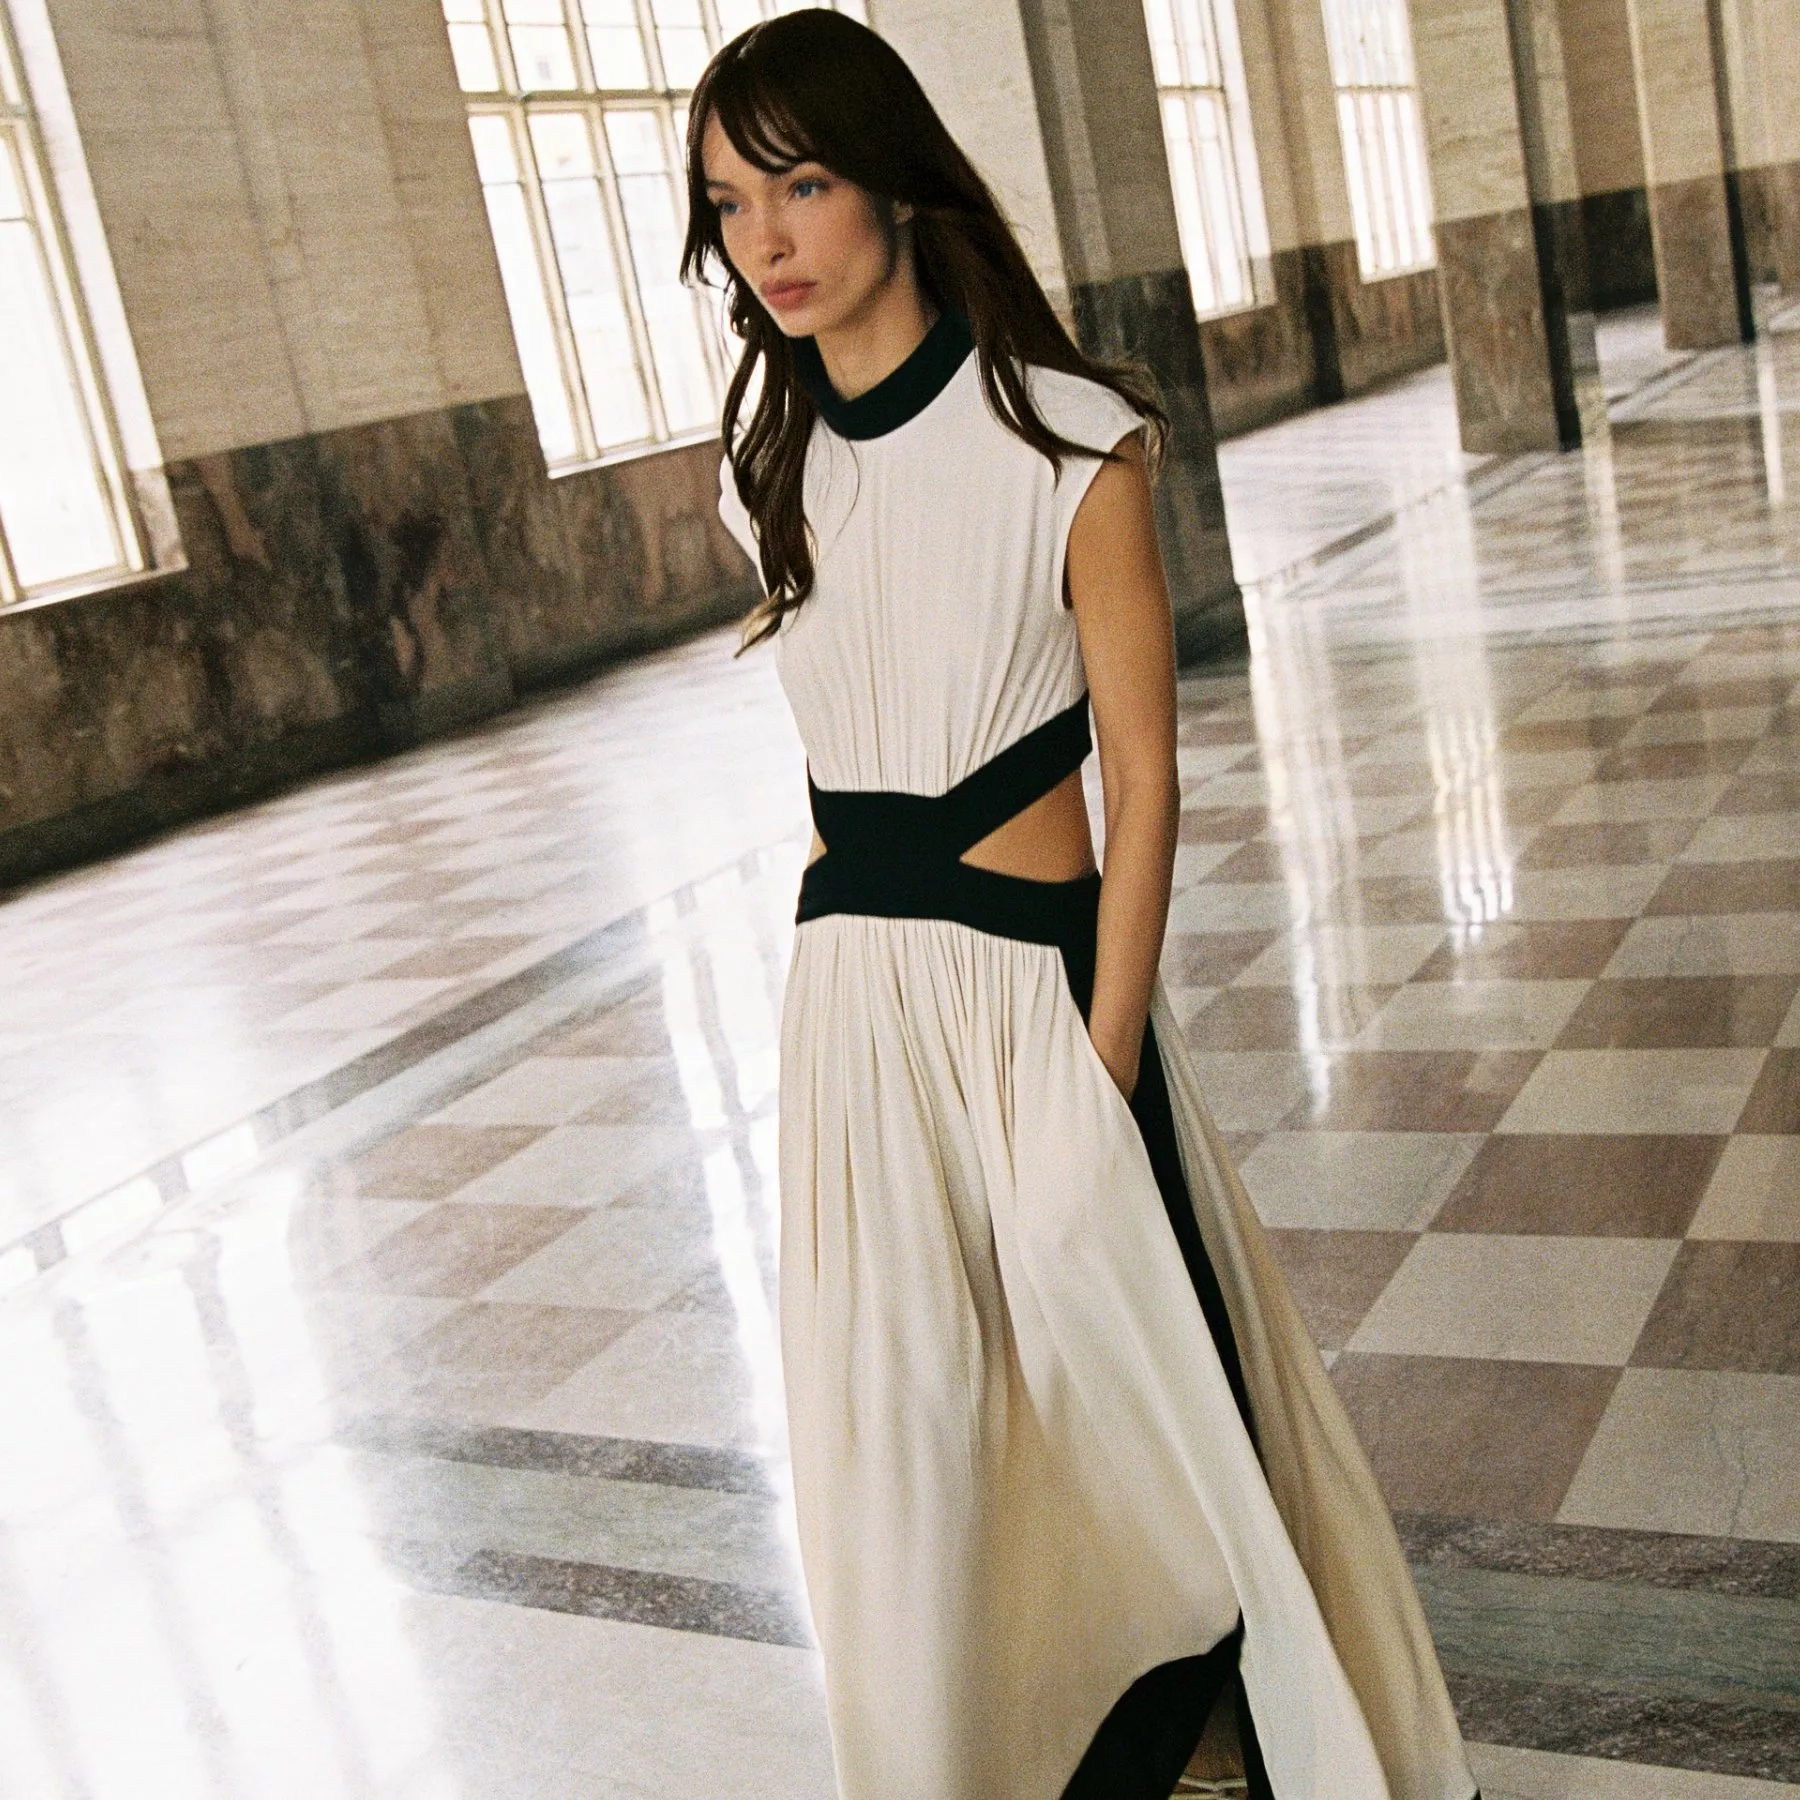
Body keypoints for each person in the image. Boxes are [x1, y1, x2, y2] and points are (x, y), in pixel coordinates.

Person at [683, 12, 1479, 1800]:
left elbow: (1147, 776)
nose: (770, 244)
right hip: (854, 1025)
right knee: (915, 1459)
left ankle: (1245, 1746)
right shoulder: (786, 461)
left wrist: (1099, 1075)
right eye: (733, 206)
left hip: (1043, 1007)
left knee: (1156, 1417)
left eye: (800, 186)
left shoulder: (1071, 437)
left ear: (893, 177)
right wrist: (821, 1051)